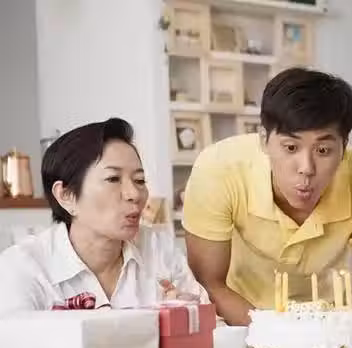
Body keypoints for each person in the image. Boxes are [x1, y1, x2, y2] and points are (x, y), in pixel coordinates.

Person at [182, 67, 352, 325]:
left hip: (330, 326)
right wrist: (280, 336)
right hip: (240, 320)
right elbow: (209, 284)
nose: (306, 168)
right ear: (264, 140)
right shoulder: (218, 169)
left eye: (323, 150)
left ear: (344, 147)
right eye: (291, 147)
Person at [0, 118, 208, 314]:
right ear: (66, 196)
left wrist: (187, 320)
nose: (134, 194)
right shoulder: (22, 268)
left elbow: (212, 327)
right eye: (113, 179)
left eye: (139, 180)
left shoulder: (158, 249)